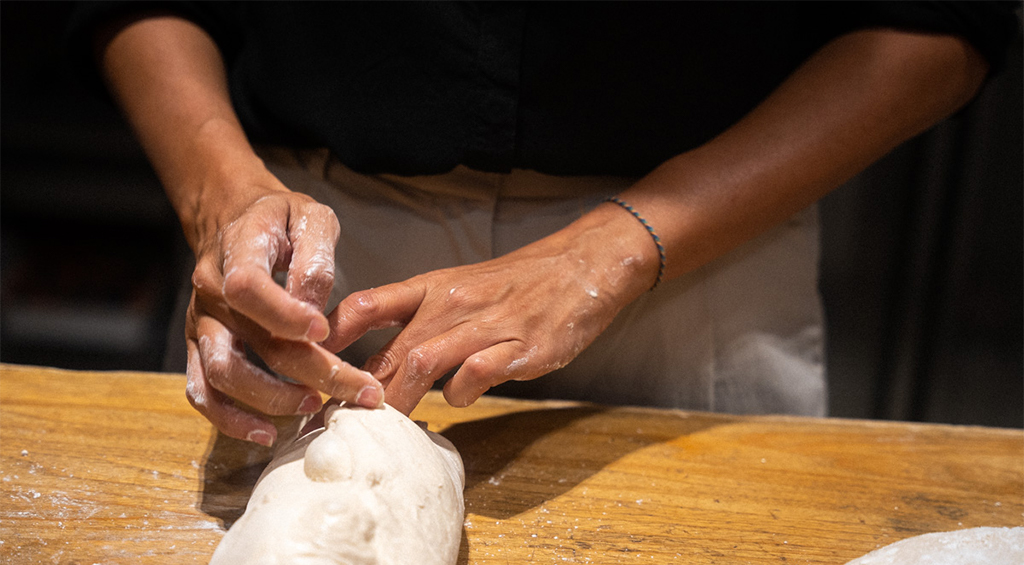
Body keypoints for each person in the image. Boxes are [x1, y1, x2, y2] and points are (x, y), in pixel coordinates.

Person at [78, 2, 1015, 445]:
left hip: (697, 259)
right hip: (310, 265)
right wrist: (221, 199)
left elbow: (942, 26)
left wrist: (611, 250)